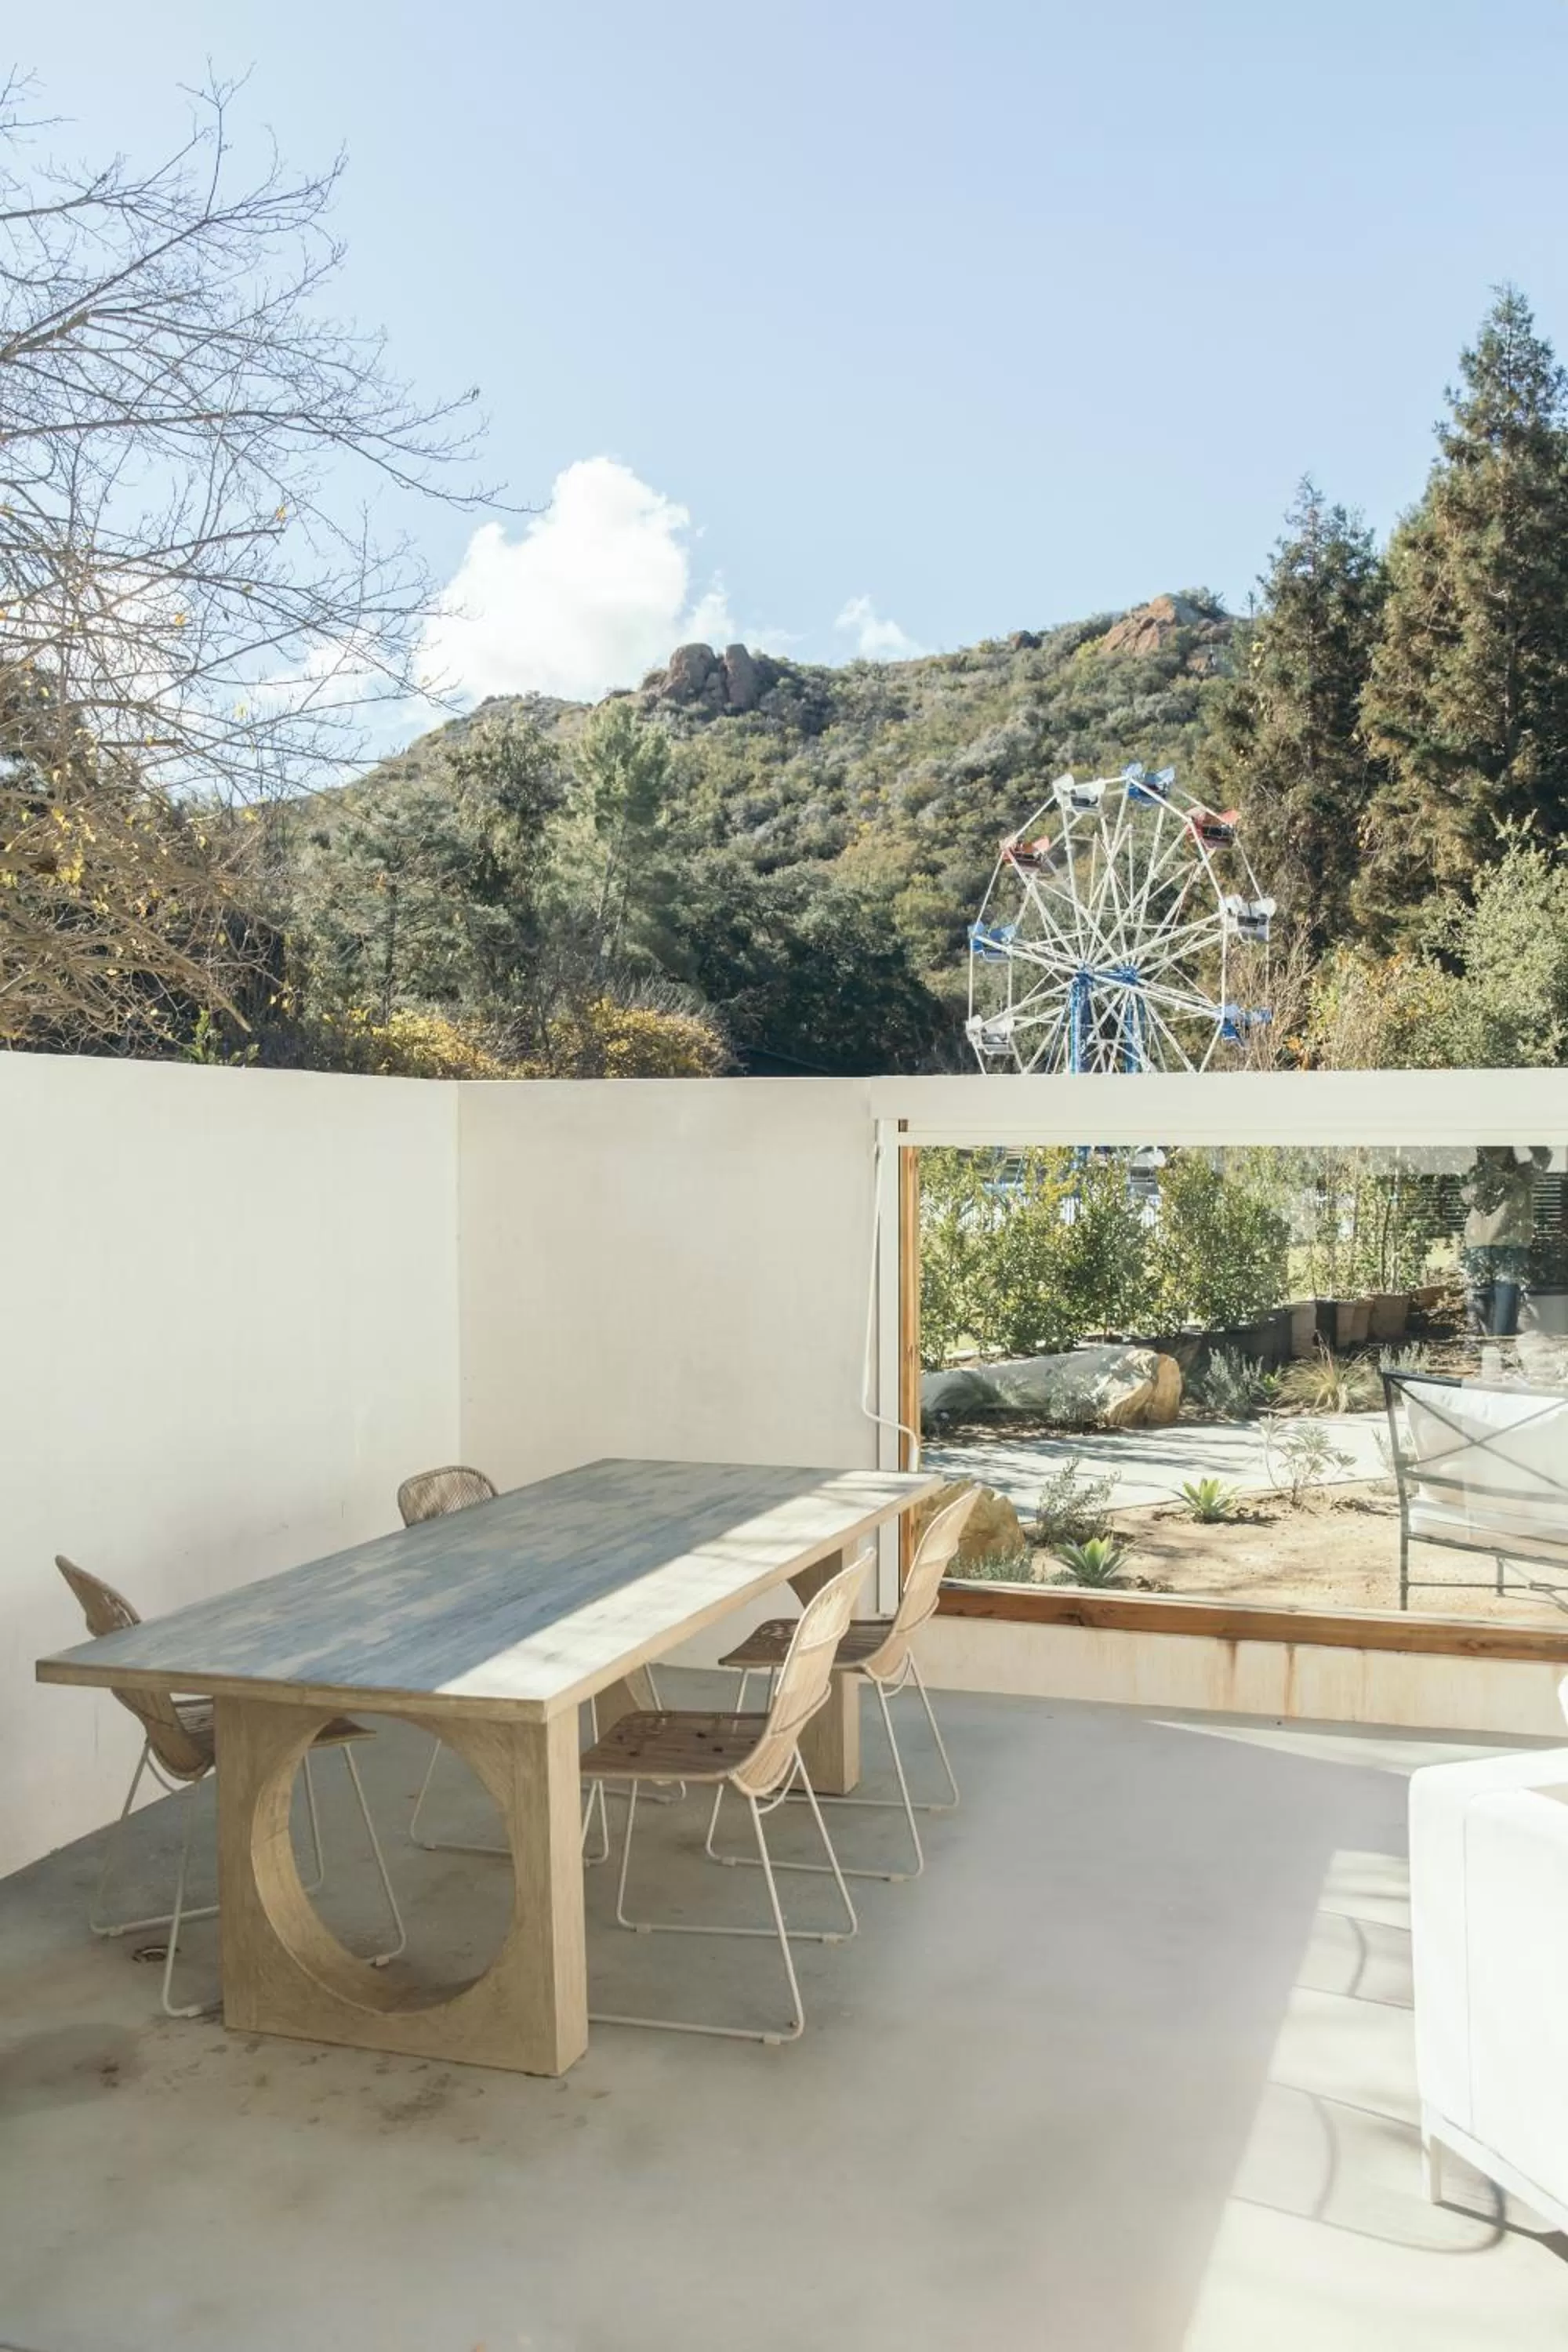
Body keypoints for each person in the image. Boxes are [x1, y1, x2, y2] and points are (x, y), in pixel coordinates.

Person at [1460, 1146, 1550, 1337]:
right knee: (1480, 1311)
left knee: (1506, 1309)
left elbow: (1544, 1157)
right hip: (1479, 1248)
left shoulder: (1522, 1174)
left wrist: (1527, 1135)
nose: (1494, 1152)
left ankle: (1502, 1349)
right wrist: (1492, 1168)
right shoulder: (1477, 1174)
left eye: (1498, 1148)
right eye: (1489, 1150)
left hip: (1510, 1247)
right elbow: (1470, 1196)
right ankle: (1484, 1349)